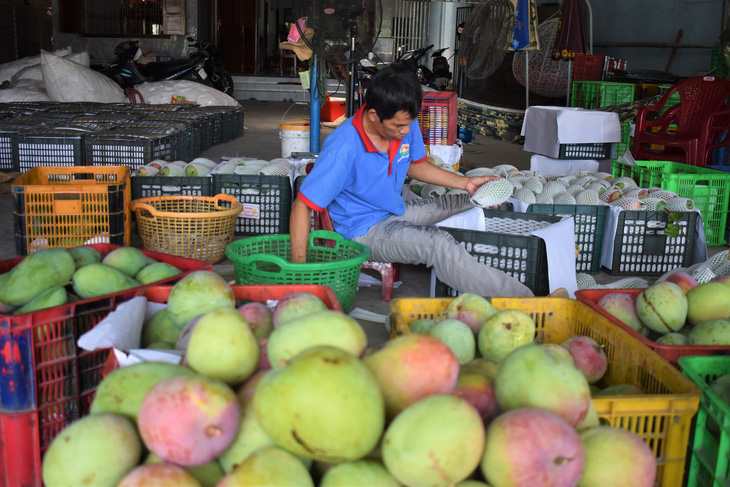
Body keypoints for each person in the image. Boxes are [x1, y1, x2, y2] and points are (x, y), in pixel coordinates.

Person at [289, 65, 533, 298]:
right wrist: (299, 273)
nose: (406, 131)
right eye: (398, 126)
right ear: (373, 115)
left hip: (394, 210)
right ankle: (527, 300)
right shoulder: (343, 148)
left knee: (465, 200)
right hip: (362, 231)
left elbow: (416, 165)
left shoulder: (404, 121)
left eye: (408, 123)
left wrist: (467, 184)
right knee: (438, 244)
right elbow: (303, 205)